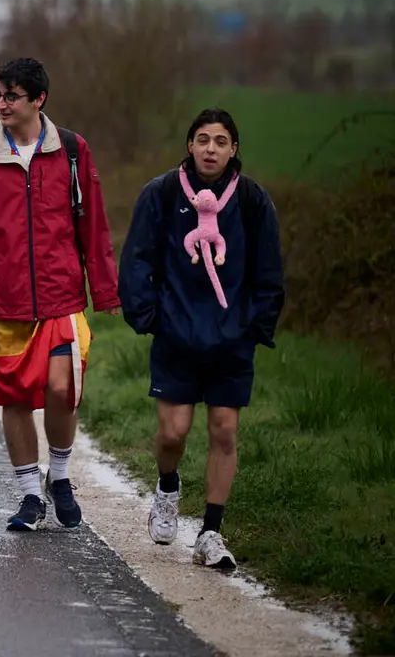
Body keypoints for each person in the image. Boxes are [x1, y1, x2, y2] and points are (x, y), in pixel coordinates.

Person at [0, 57, 120, 532]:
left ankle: (59, 475)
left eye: (11, 96)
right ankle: (29, 495)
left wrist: (103, 287)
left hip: (61, 294)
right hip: (1, 297)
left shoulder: (73, 151)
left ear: (38, 100)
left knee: (64, 388)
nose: (1, 103)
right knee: (15, 398)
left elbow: (93, 223)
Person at [118, 108, 284, 569]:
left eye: (221, 141)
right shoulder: (162, 193)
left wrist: (256, 327)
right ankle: (167, 488)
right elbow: (136, 261)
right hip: (176, 334)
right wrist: (150, 317)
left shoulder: (251, 201)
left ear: (234, 149)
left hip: (232, 340)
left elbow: (269, 271)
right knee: (173, 432)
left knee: (224, 430)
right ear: (190, 145)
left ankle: (211, 532)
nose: (211, 148)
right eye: (203, 139)